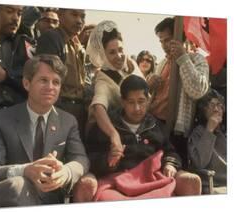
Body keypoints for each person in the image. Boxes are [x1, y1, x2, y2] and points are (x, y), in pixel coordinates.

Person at [73, 75, 201, 202]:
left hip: (152, 182)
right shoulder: (106, 126)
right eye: (131, 102)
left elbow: (170, 151)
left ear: (148, 99)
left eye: (141, 101)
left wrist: (170, 164)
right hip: (116, 183)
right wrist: (108, 161)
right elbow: (90, 157)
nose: (137, 108)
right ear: (122, 101)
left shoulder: (156, 125)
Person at [0, 54, 89, 207]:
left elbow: (81, 159)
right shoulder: (0, 119)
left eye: (56, 82)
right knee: (18, 184)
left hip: (51, 200)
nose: (51, 87)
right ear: (26, 83)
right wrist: (24, 170)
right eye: (43, 80)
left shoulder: (68, 121)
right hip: (13, 199)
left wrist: (66, 172)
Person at [148, 17, 209, 165]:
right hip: (154, 124)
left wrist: (182, 58)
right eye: (161, 41)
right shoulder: (162, 63)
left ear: (180, 38)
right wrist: (149, 85)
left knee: (173, 169)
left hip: (177, 131)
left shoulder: (197, 60)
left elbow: (198, 90)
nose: (164, 45)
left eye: (168, 40)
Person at [85, 20, 145, 169]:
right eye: (112, 52)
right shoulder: (102, 78)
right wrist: (113, 135)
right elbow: (99, 106)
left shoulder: (130, 64)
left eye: (120, 49)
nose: (119, 55)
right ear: (103, 54)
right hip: (107, 137)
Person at [36, 9, 87, 140]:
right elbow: (48, 81)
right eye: (74, 14)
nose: (79, 21)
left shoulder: (75, 44)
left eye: (82, 16)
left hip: (77, 109)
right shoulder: (52, 38)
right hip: (59, 108)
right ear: (61, 16)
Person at [0, 5, 35, 109]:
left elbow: (35, 84)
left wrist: (5, 76)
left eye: (19, 14)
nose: (16, 18)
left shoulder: (25, 44)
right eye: (9, 11)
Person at [188, 89, 226, 194]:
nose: (216, 109)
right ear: (203, 110)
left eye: (219, 105)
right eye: (211, 105)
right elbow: (199, 163)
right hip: (216, 185)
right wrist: (209, 130)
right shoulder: (197, 133)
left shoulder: (225, 132)